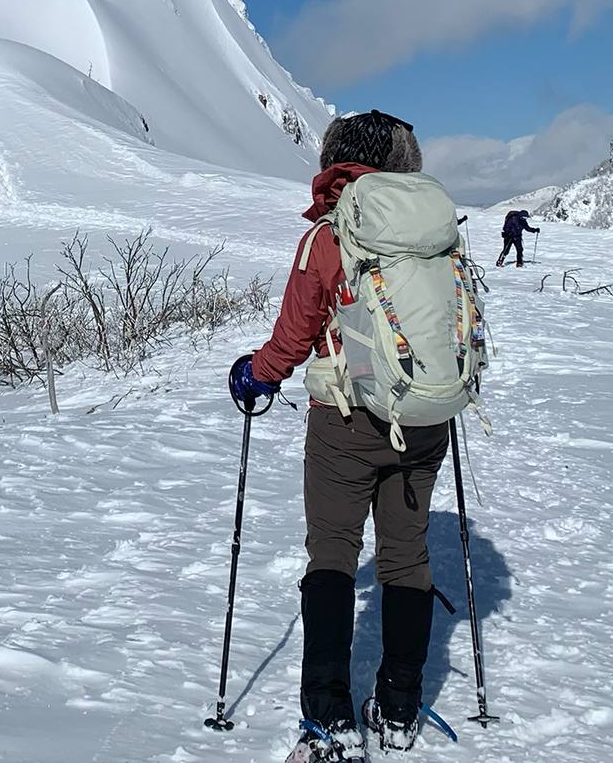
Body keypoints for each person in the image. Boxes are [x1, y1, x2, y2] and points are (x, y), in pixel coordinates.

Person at [228, 110, 451, 762]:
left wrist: (254, 376)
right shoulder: (435, 229)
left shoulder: (330, 234)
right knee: (406, 557)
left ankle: (328, 722)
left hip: (345, 421)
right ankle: (400, 706)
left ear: (335, 161)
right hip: (425, 418)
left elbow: (294, 337)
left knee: (331, 554)